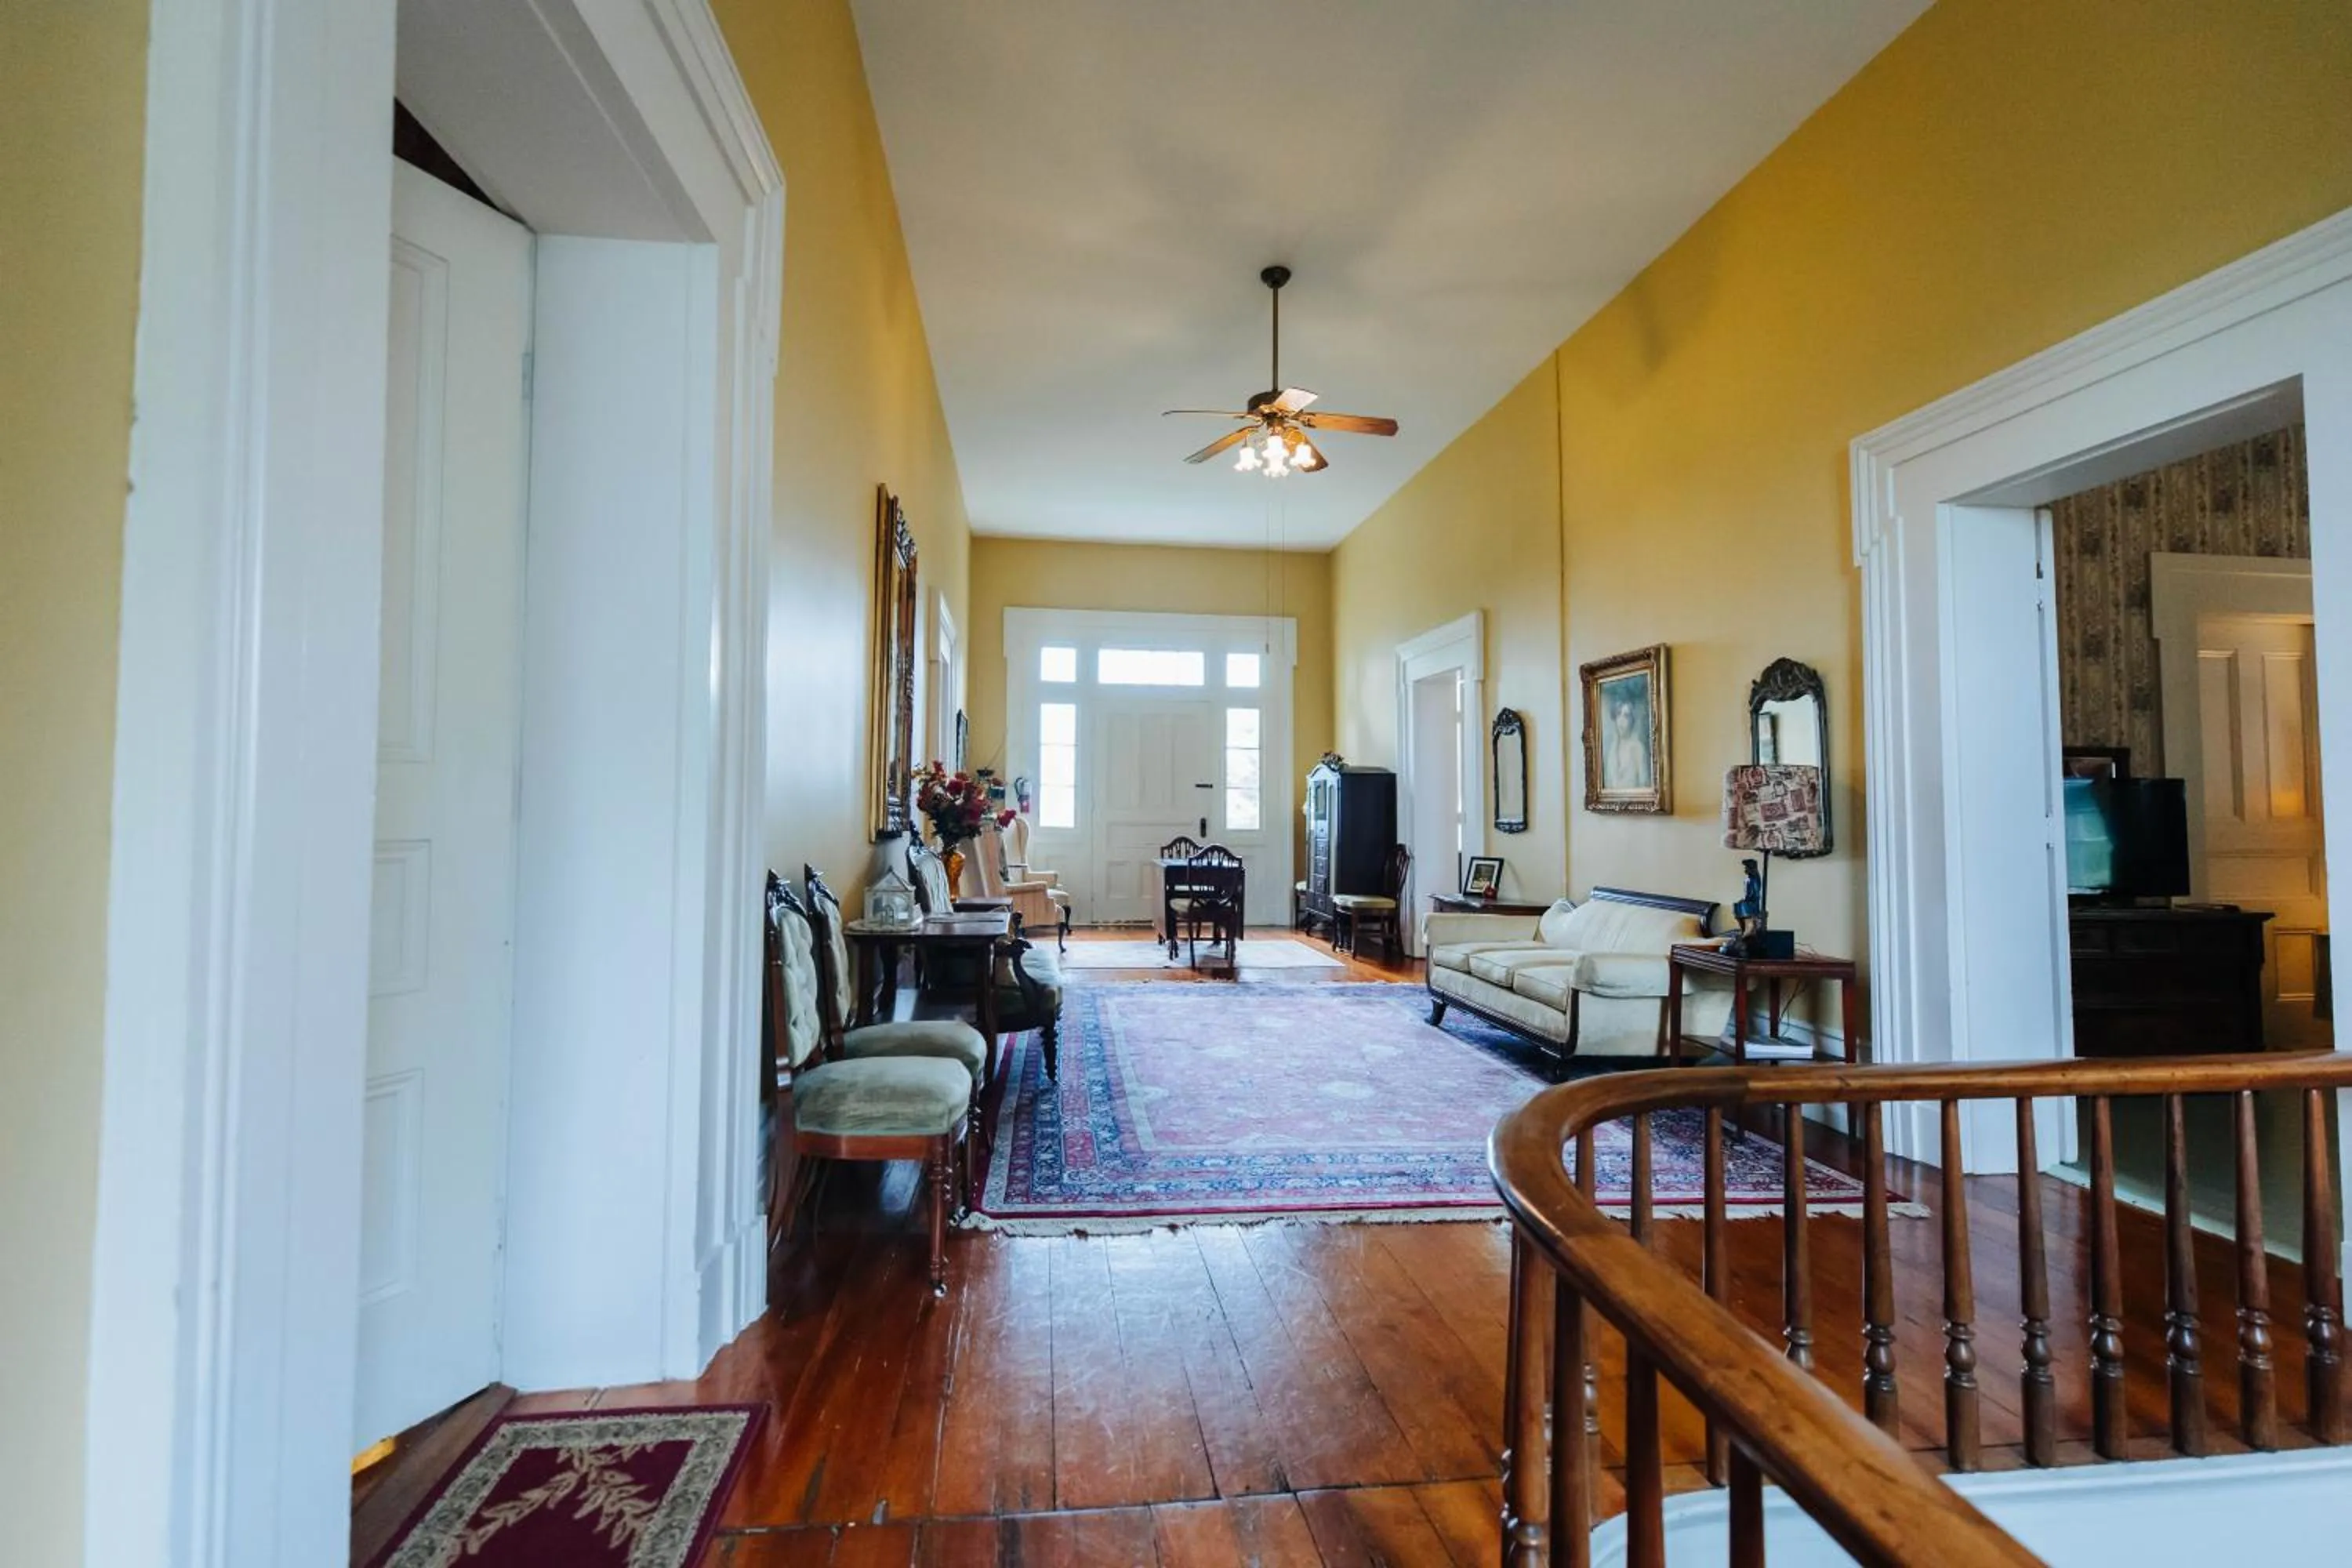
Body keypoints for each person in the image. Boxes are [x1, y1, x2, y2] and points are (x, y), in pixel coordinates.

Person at [1602, 684, 1653, 791]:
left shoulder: (1638, 748)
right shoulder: (1612, 749)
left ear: (1632, 720)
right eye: (1618, 714)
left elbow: (1645, 786)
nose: (1621, 721)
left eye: (1626, 715)